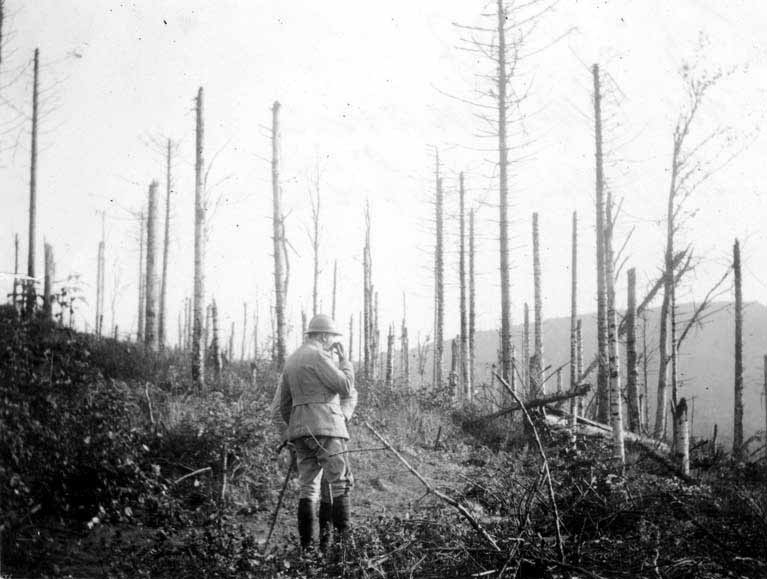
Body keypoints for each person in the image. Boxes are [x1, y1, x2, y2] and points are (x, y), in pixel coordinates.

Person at [277, 314, 357, 550]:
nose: (332, 342)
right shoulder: (318, 355)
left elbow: (284, 404)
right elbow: (345, 386)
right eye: (331, 338)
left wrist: (297, 426)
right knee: (339, 483)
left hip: (300, 431)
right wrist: (345, 363)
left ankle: (308, 552)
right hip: (326, 428)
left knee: (308, 487)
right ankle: (344, 550)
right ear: (323, 336)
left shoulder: (291, 360)